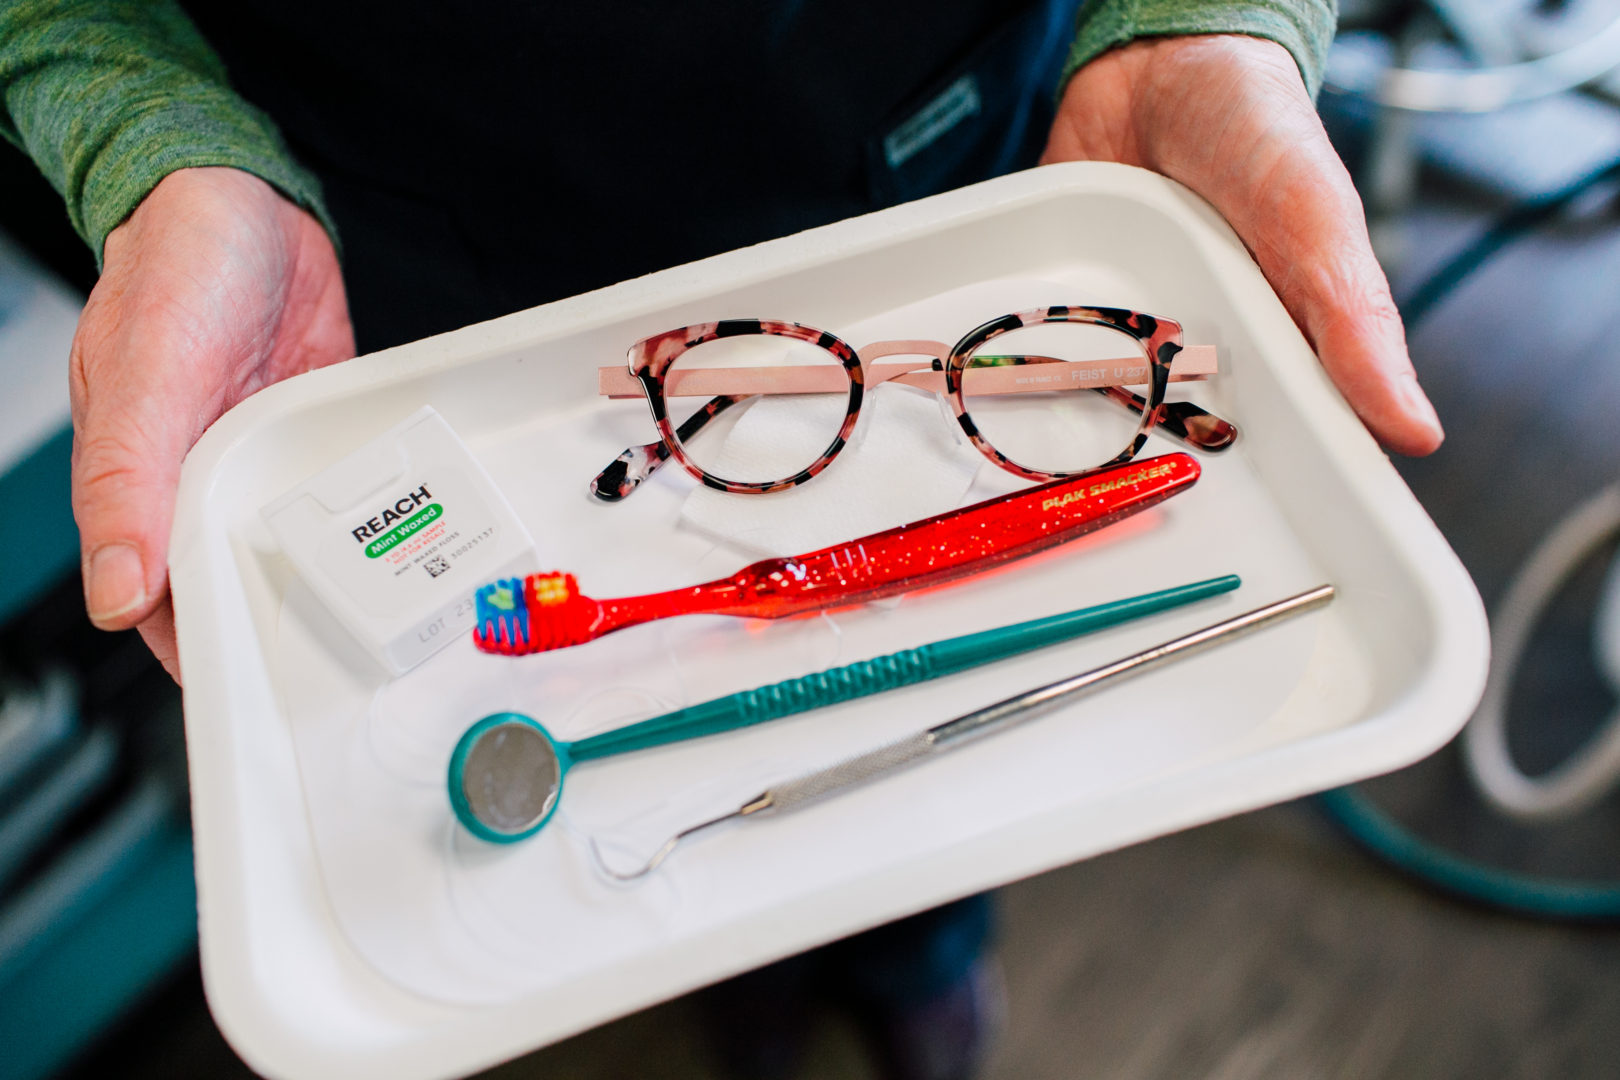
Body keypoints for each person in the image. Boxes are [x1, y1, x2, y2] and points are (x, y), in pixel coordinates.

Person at [1, 2, 1444, 1077]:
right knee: (733, 819)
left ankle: (917, 951)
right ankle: (743, 970)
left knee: (950, 742)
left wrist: (1207, 25)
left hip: (960, 149)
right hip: (415, 241)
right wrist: (158, 147)